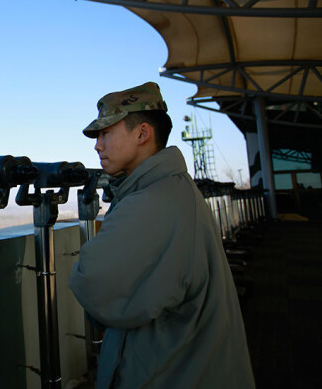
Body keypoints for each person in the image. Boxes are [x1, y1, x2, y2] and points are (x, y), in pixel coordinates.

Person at [69, 82, 254, 388]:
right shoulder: (171, 189)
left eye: (106, 133)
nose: (97, 146)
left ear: (142, 134)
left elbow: (93, 284)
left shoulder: (153, 201)